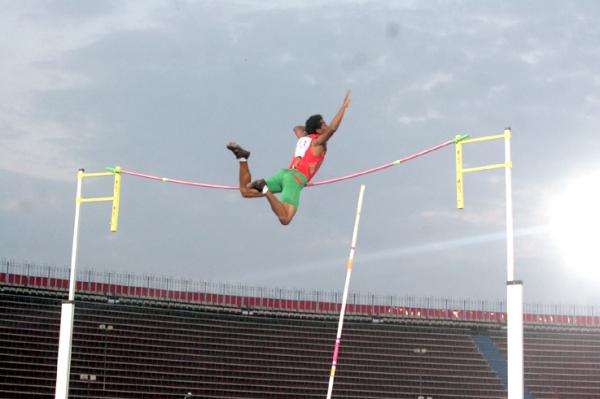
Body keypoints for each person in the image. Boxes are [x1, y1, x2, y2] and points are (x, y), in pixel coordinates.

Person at [226, 91, 351, 225]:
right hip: (295, 179)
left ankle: (242, 158)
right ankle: (264, 188)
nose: (326, 126)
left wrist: (310, 129)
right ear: (319, 131)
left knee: (245, 191)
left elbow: (296, 128)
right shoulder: (318, 143)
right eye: (323, 124)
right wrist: (343, 108)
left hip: (284, 174)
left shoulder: (303, 138)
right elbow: (332, 129)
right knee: (285, 218)